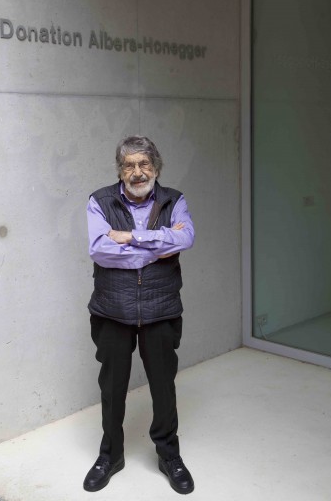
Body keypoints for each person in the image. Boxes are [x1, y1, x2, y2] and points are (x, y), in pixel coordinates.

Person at [83, 135, 195, 495]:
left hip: (161, 310)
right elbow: (100, 251)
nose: (137, 172)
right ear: (120, 169)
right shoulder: (99, 200)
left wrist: (128, 238)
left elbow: (186, 238)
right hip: (112, 312)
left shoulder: (174, 199)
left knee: (163, 387)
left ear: (156, 167)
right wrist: (157, 243)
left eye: (144, 164)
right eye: (129, 165)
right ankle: (110, 455)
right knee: (112, 389)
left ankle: (168, 455)